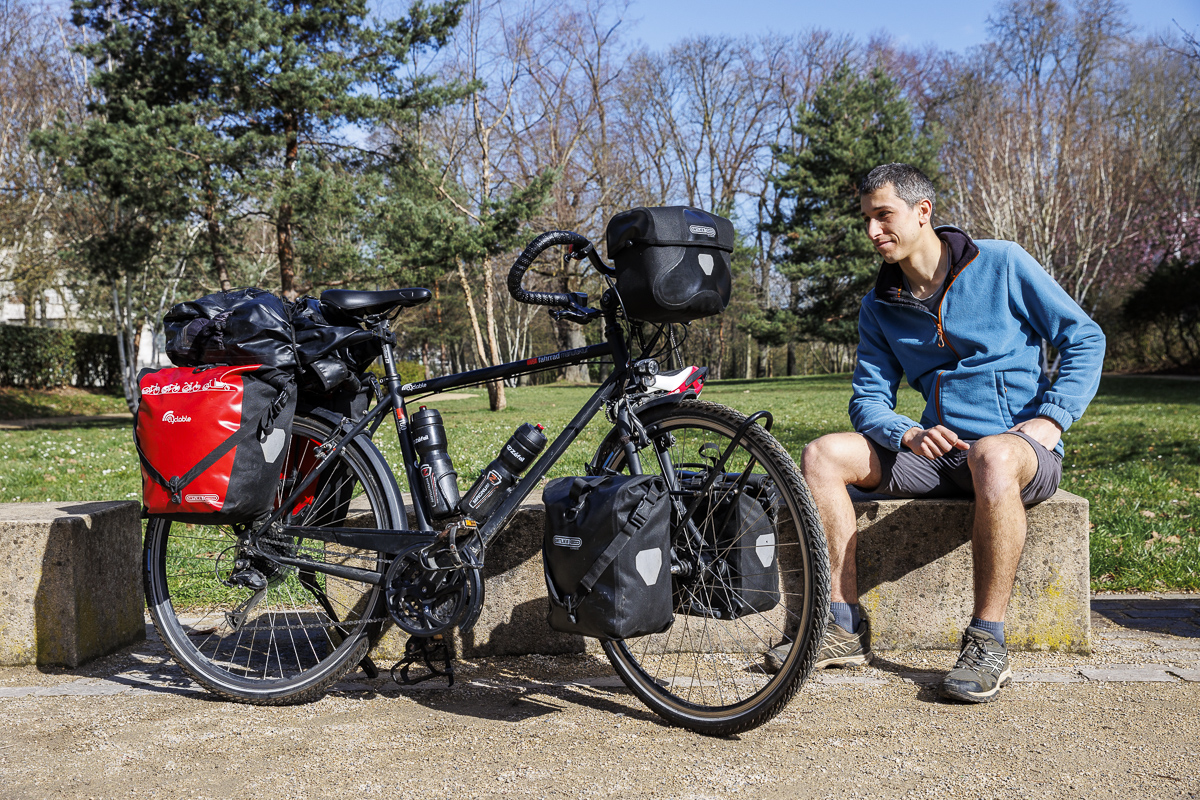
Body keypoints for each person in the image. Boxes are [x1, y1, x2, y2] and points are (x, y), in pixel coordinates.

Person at [768, 163, 1105, 703]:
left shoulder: (1003, 264)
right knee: (822, 454)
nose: (873, 231)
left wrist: (1052, 418)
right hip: (938, 453)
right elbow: (868, 398)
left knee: (993, 457)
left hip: (1017, 452)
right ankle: (840, 624)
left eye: (884, 216)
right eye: (867, 220)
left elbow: (1084, 337)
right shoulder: (880, 304)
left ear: (922, 212)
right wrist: (904, 433)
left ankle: (987, 641)